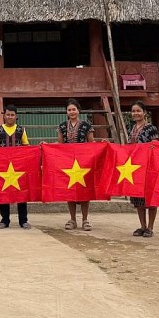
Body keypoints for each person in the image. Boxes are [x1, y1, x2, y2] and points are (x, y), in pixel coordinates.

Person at [0, 104, 32, 230]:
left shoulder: (21, 130)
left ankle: (23, 220)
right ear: (4, 115)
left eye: (12, 115)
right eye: (8, 114)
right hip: (2, 167)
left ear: (16, 116)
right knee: (3, 193)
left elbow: (26, 147)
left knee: (21, 193)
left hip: (19, 167)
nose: (10, 117)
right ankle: (5, 220)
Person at [57, 98, 95, 231]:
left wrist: (102, 144)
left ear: (78, 111)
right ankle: (72, 219)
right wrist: (47, 145)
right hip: (68, 163)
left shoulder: (86, 125)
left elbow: (91, 144)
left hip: (84, 163)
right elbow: (60, 145)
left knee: (85, 191)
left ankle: (85, 220)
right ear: (66, 112)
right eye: (69, 110)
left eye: (74, 109)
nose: (72, 112)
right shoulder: (62, 126)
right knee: (70, 190)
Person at [127, 101, 158, 238]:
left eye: (138, 111)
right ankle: (142, 226)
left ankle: (150, 227)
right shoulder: (132, 128)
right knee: (137, 197)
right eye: (133, 111)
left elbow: (156, 145)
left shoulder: (151, 128)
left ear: (144, 112)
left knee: (150, 197)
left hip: (149, 166)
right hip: (135, 167)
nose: (136, 114)